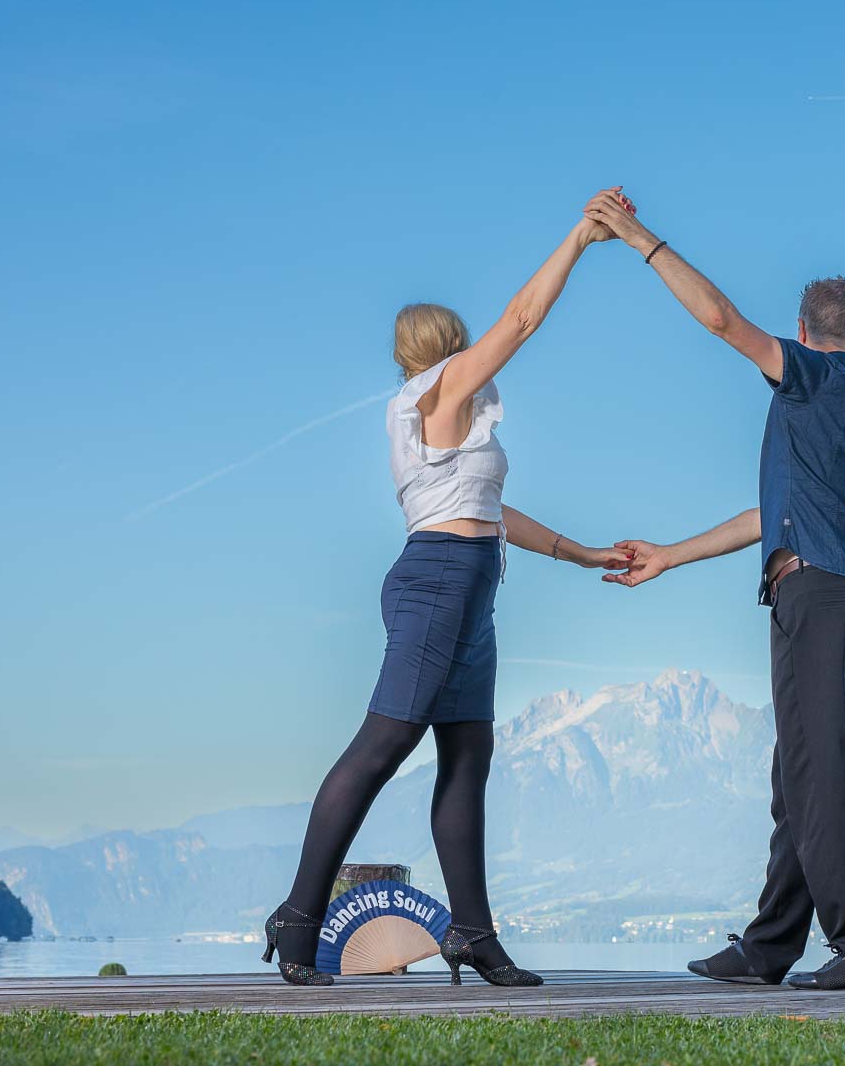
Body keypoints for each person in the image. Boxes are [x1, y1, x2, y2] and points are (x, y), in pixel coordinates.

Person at [262, 211, 630, 987]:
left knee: (468, 754)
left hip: (467, 580)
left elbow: (494, 512)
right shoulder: (440, 389)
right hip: (437, 580)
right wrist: (579, 238)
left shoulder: (446, 417)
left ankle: (471, 932)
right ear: (448, 346)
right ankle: (298, 914)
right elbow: (525, 317)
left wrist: (583, 552)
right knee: (384, 744)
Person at [583, 188, 845, 991]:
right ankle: (769, 946)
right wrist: (672, 554)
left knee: (817, 770)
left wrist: (638, 237)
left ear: (803, 335)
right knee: (798, 773)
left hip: (819, 596)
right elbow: (772, 517)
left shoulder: (810, 382)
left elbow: (723, 320)